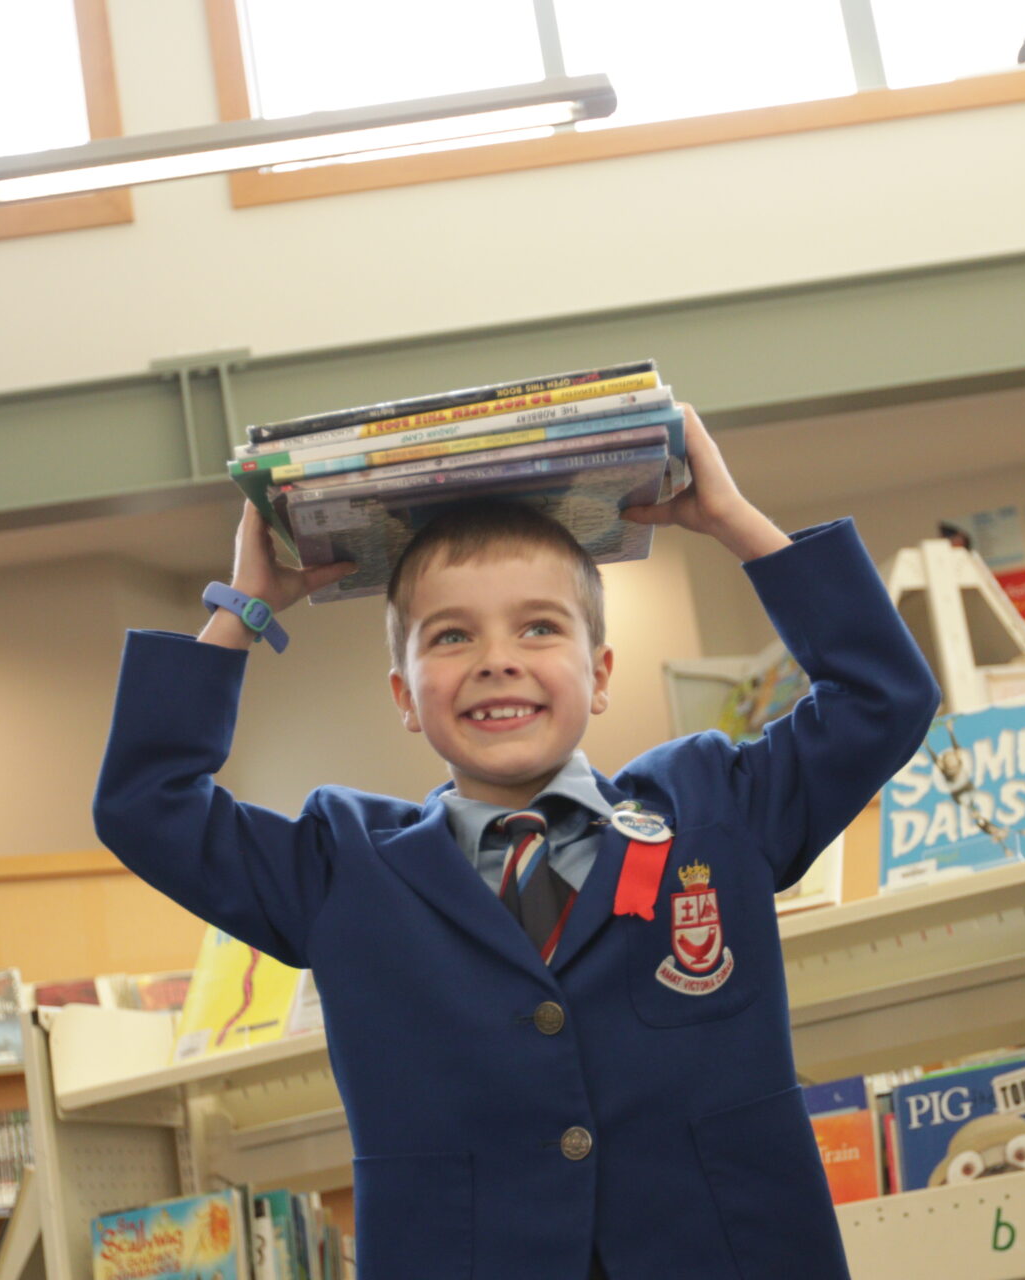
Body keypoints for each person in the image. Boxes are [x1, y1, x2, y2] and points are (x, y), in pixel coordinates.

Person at [92, 405, 939, 1278]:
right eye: (452, 636)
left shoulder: (712, 807)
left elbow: (884, 699)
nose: (497, 659)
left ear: (599, 674)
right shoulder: (342, 868)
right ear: (405, 697)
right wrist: (245, 608)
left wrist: (733, 522)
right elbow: (143, 805)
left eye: (539, 627)